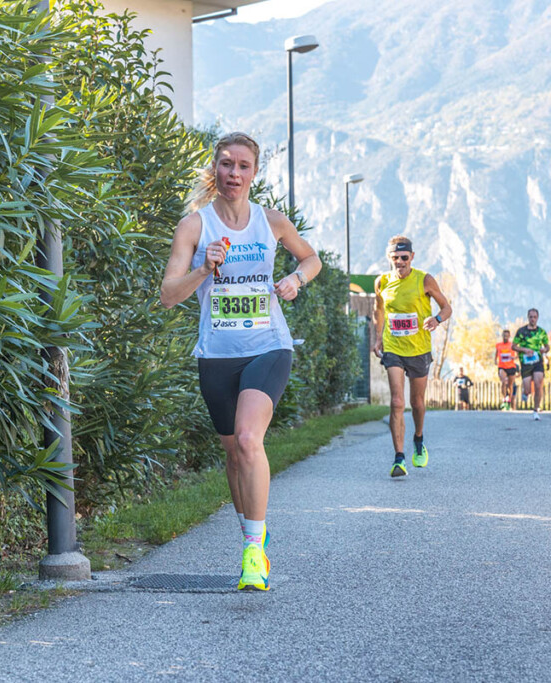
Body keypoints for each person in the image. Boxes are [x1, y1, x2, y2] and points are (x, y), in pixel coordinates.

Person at [160, 132, 321, 592]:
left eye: (243, 165)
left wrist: (295, 279)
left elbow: (312, 261)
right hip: (216, 354)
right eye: (226, 164)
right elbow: (169, 297)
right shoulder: (195, 227)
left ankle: (253, 552)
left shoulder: (270, 222)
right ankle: (253, 533)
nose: (234, 173)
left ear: (254, 173)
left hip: (269, 345)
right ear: (215, 169)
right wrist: (203, 269)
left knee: (250, 440)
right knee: (233, 453)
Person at [372, 235, 452, 477]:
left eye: (404, 257)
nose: (400, 262)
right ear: (389, 258)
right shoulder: (382, 282)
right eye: (395, 258)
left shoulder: (424, 280)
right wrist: (378, 338)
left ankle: (418, 438)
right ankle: (399, 459)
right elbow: (379, 310)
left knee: (417, 403)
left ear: (412, 257)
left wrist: (436, 320)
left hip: (418, 349)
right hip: (394, 348)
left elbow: (446, 308)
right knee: (397, 401)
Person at [512, 308, 550, 420]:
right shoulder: (521, 331)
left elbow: (547, 346)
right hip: (526, 362)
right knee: (528, 389)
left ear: (537, 318)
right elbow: (513, 346)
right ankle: (525, 392)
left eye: (534, 317)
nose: (532, 319)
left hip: (537, 361)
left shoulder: (541, 332)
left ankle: (536, 410)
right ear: (528, 317)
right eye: (531, 317)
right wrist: (524, 350)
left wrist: (544, 350)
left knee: (539, 384)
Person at [495, 329, 518, 410]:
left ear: (509, 336)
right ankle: (504, 398)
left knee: (510, 385)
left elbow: (518, 355)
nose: (505, 337)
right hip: (502, 366)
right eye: (504, 335)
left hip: (511, 366)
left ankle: (509, 400)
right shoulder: (498, 345)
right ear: (502, 336)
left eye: (507, 335)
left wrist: (514, 357)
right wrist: (495, 360)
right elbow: (496, 353)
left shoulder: (512, 345)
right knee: (503, 381)